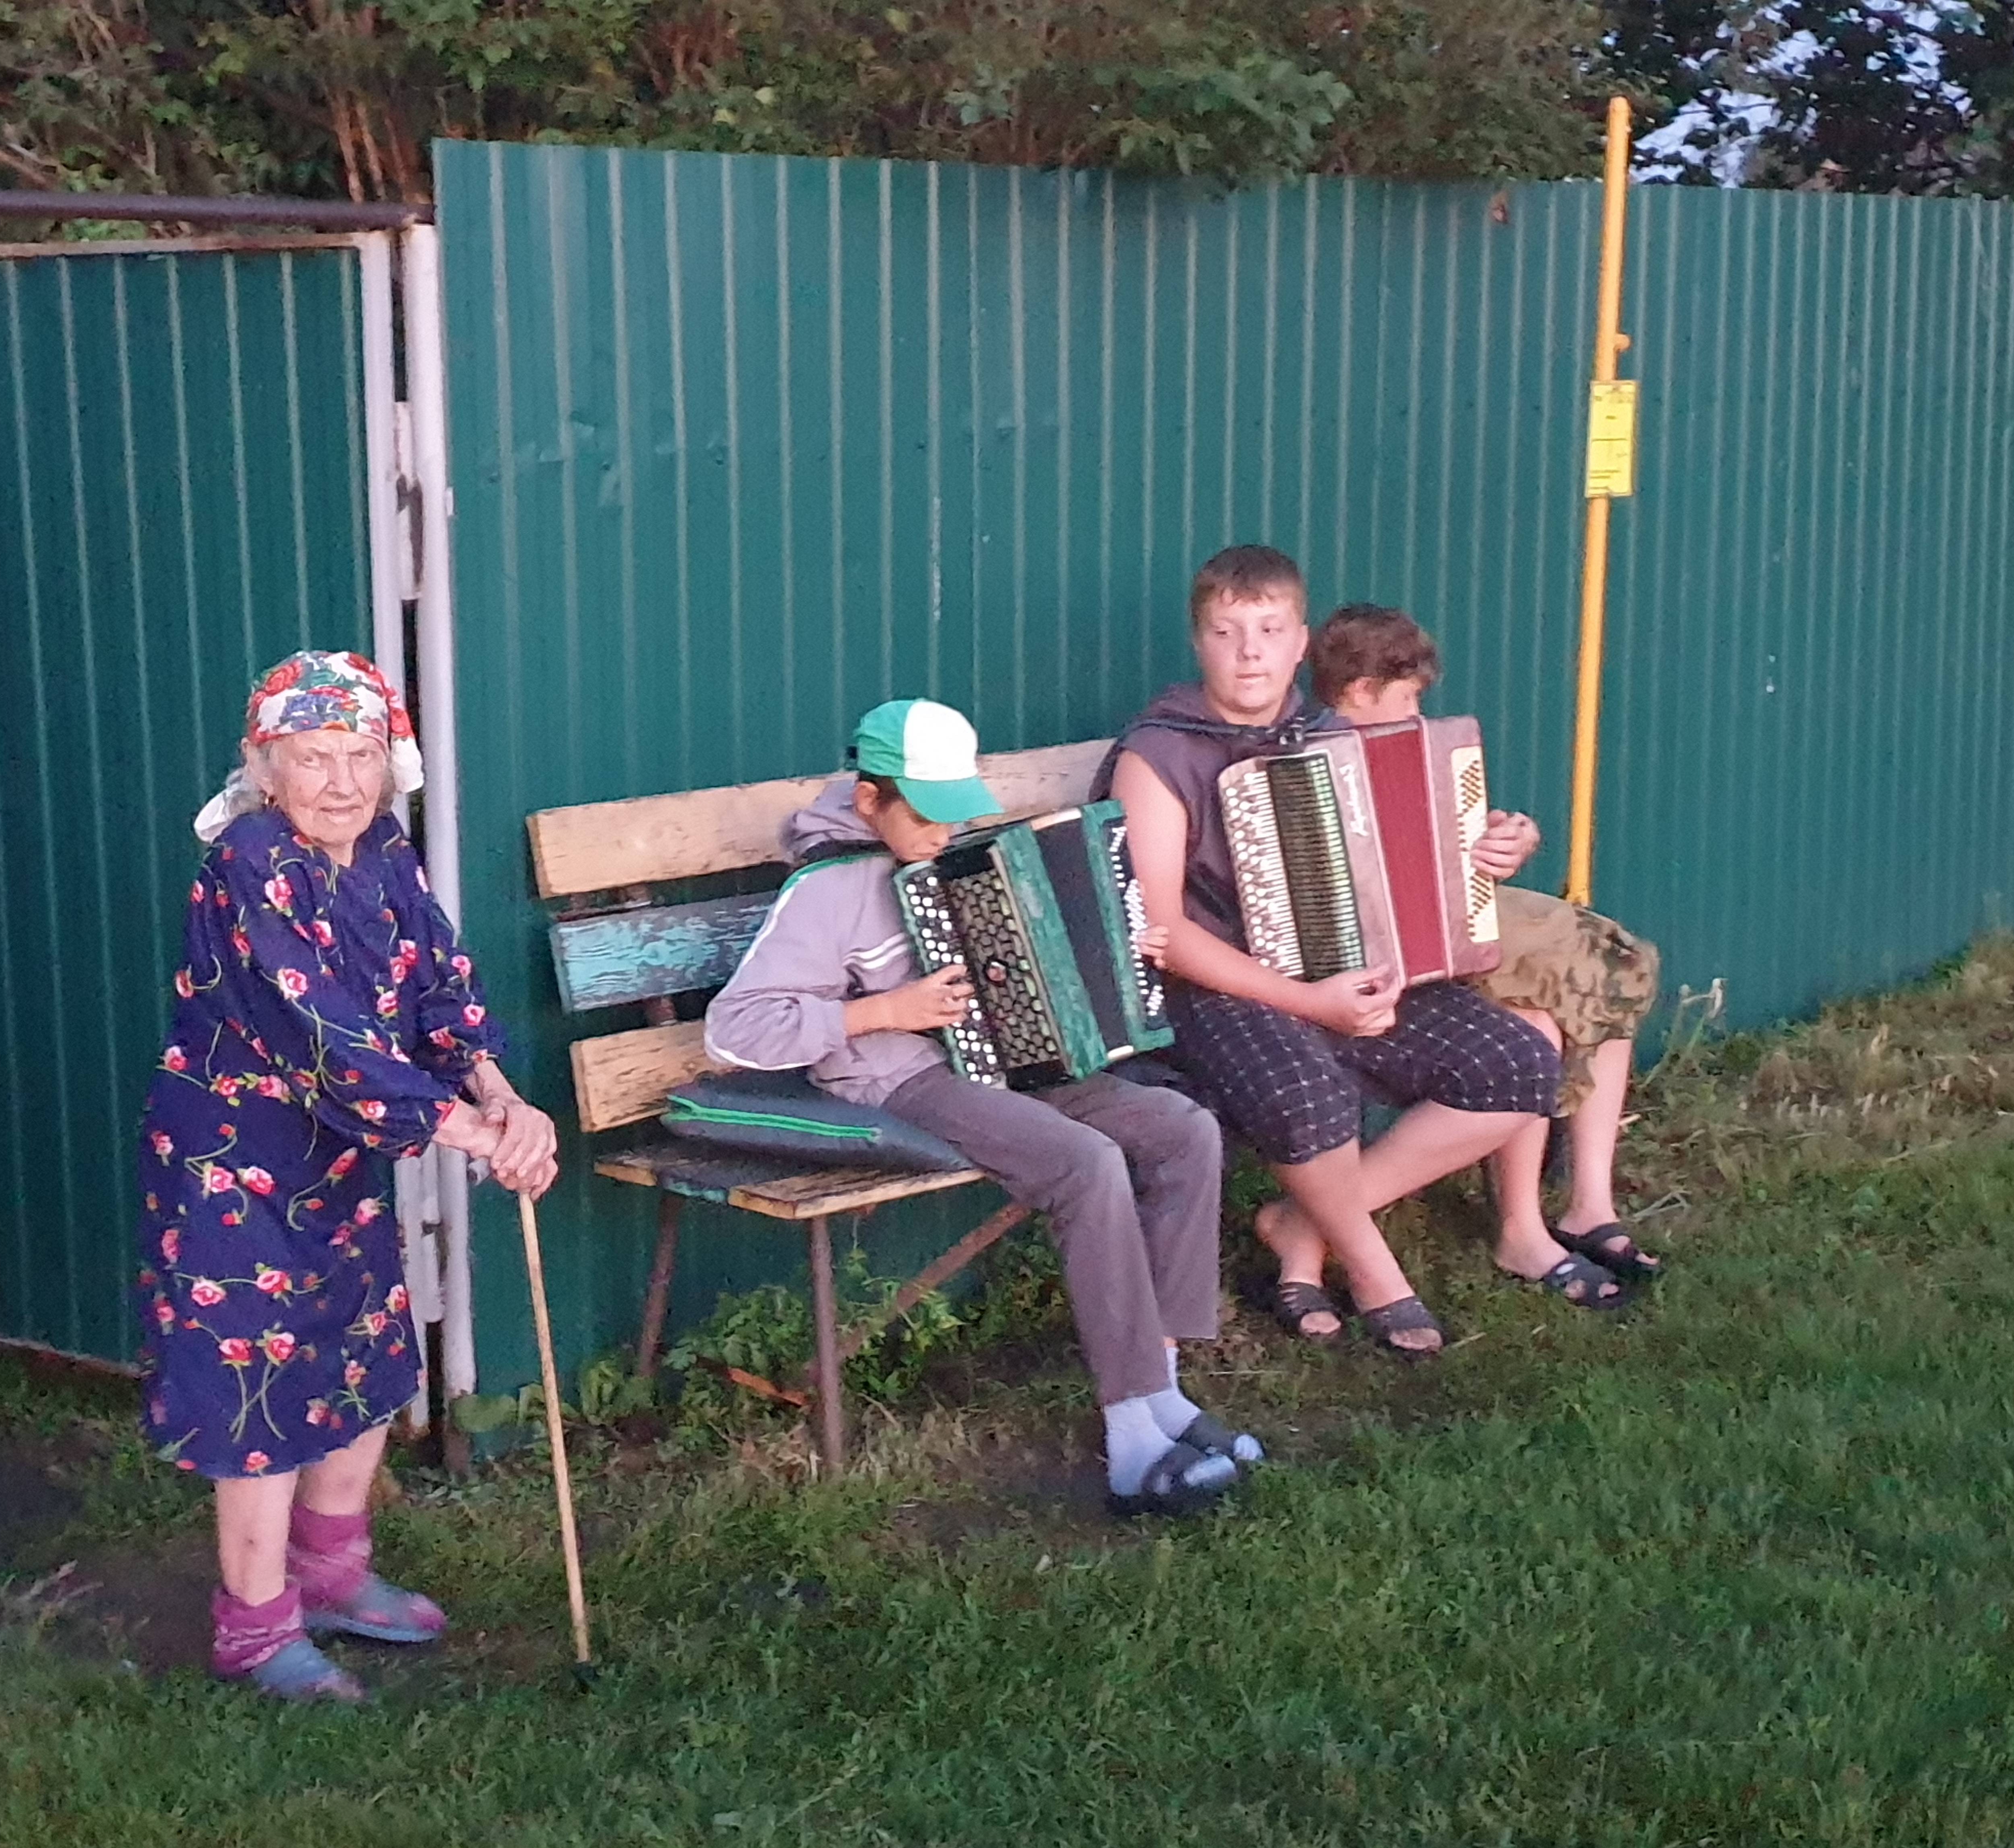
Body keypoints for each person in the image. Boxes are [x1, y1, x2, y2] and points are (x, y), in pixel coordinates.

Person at [702, 698, 1260, 1517]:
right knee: (1085, 1162)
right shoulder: (827, 890)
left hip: (1002, 1060)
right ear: (869, 801)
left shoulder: (956, 860)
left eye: (953, 812)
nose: (941, 833)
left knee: (1182, 1130)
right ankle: (1130, 1441)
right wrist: (880, 1012)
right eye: (926, 816)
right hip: (899, 1079)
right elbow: (733, 1028)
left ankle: (1163, 1391)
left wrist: (1116, 940)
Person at [135, 650, 559, 1703]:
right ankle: (254, 1627)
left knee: (361, 1364)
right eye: (315, 759)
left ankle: (330, 1581)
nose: (342, 783)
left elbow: (438, 984)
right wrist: (467, 1131)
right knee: (259, 1389)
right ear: (265, 767)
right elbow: (318, 1034)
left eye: (361, 756)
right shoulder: (249, 863)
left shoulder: (383, 852)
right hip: (236, 1165)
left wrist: (497, 1089)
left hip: (344, 1158)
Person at [1103, 546, 1611, 1359]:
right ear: (1198, 643)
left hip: (1348, 968)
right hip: (1215, 990)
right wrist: (1310, 1003)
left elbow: (1415, 848)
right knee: (1308, 1094)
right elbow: (1165, 932)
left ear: (1300, 643)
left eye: (1268, 630)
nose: (1249, 652)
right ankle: (1375, 1269)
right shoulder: (1158, 755)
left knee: (1519, 1066)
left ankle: (1302, 1223)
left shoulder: (1330, 734)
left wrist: (1494, 846)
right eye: (1226, 632)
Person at [1311, 604, 1670, 1287]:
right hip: (1387, 955)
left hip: (1452, 917)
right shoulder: (1306, 758)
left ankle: (1587, 1204)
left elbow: (1469, 841)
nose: (1419, 716)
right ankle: (1543, 1223)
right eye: (1409, 697)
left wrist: (1511, 838)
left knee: (1603, 963)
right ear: (1360, 693)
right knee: (1572, 988)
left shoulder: (1420, 750)